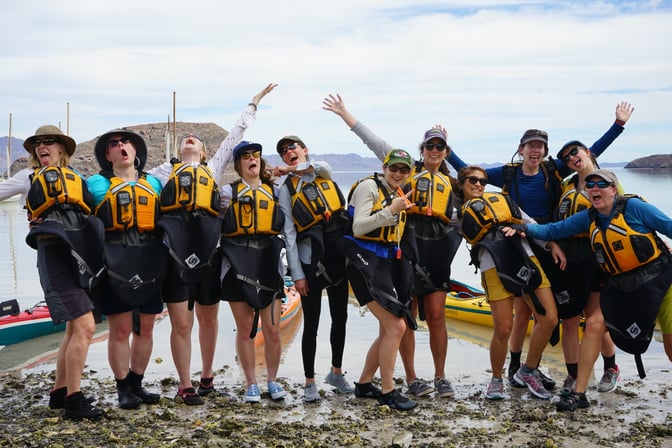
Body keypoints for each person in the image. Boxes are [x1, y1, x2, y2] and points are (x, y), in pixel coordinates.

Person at [446, 102, 634, 389]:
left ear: (544, 152)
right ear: (521, 149)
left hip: (553, 242)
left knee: (574, 313)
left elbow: (589, 156)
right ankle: (517, 367)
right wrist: (447, 149)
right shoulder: (506, 174)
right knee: (524, 312)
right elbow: (468, 173)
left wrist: (618, 126)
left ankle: (604, 367)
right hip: (522, 246)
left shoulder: (553, 169)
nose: (536, 151)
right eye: (531, 146)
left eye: (540, 146)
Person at [323, 94, 461, 398]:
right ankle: (411, 378)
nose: (434, 151)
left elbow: (468, 216)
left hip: (436, 255)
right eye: (429, 146)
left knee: (435, 316)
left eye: (440, 147)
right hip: (404, 254)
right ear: (421, 151)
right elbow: (372, 141)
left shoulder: (453, 184)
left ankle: (439, 377)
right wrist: (345, 113)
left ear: (447, 152)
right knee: (402, 317)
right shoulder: (403, 171)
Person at [148, 83, 277, 405]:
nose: (190, 138)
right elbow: (128, 185)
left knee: (208, 317)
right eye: (185, 139)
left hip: (207, 253)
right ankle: (184, 382)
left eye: (198, 140)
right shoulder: (164, 173)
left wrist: (254, 102)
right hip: (176, 254)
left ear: (206, 153)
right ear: (179, 152)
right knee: (181, 322)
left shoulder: (211, 169)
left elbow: (236, 134)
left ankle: (207, 376)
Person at [506, 169, 672, 410]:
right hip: (625, 286)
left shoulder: (634, 208)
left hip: (661, 282)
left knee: (670, 350)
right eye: (590, 184)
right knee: (594, 324)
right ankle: (579, 393)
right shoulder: (589, 218)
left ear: (613, 190)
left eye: (601, 184)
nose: (595, 188)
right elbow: (553, 230)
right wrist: (523, 228)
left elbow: (669, 226)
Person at [0, 125, 105, 420]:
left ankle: (59, 394)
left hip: (79, 257)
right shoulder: (27, 178)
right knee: (85, 326)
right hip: (53, 256)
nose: (42, 147)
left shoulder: (78, 180)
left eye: (49, 142)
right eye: (37, 144)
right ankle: (75, 400)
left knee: (74, 329)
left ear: (62, 148)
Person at [456, 165, 563, 400]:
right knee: (503, 328)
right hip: (492, 267)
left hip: (526, 259)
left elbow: (530, 223)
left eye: (482, 181)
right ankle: (496, 379)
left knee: (549, 318)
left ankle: (527, 370)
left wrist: (551, 244)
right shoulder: (457, 213)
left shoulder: (502, 200)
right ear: (461, 184)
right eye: (472, 180)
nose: (478, 185)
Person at [334, 149, 418, 411]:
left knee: (390, 327)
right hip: (362, 263)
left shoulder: (397, 193)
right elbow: (359, 227)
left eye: (404, 170)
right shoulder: (369, 187)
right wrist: (391, 210)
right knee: (396, 327)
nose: (398, 174)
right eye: (394, 168)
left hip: (382, 263)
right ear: (384, 167)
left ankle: (363, 384)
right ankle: (388, 391)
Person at [87, 129, 165, 410]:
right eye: (114, 145)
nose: (121, 146)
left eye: (125, 143)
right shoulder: (94, 184)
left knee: (145, 327)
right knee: (120, 329)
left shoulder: (154, 183)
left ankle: (137, 383)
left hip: (149, 257)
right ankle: (122, 389)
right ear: (107, 156)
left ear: (135, 152)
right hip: (114, 258)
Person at [273, 135, 354, 402]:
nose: (289, 152)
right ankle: (309, 382)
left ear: (304, 150)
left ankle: (336, 373)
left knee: (340, 318)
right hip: (310, 263)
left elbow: (321, 167)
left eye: (292, 147)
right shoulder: (286, 189)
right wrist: (296, 275)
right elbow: (289, 235)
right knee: (312, 324)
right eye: (284, 152)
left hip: (338, 258)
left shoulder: (324, 171)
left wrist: (291, 169)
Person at [219, 141, 287, 403]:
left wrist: (285, 170)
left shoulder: (276, 191)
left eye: (255, 155)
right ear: (238, 164)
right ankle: (251, 383)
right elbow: (214, 225)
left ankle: (272, 380)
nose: (251, 159)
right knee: (246, 328)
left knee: (271, 329)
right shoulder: (227, 192)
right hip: (238, 262)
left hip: (268, 261)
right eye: (245, 156)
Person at [553, 141, 621, 393]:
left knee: (595, 320)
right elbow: (555, 220)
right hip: (568, 259)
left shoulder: (608, 182)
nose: (572, 158)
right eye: (566, 157)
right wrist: (552, 244)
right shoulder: (566, 185)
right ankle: (572, 375)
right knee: (569, 321)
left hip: (597, 257)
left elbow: (624, 216)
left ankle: (611, 368)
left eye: (575, 152)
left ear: (587, 152)